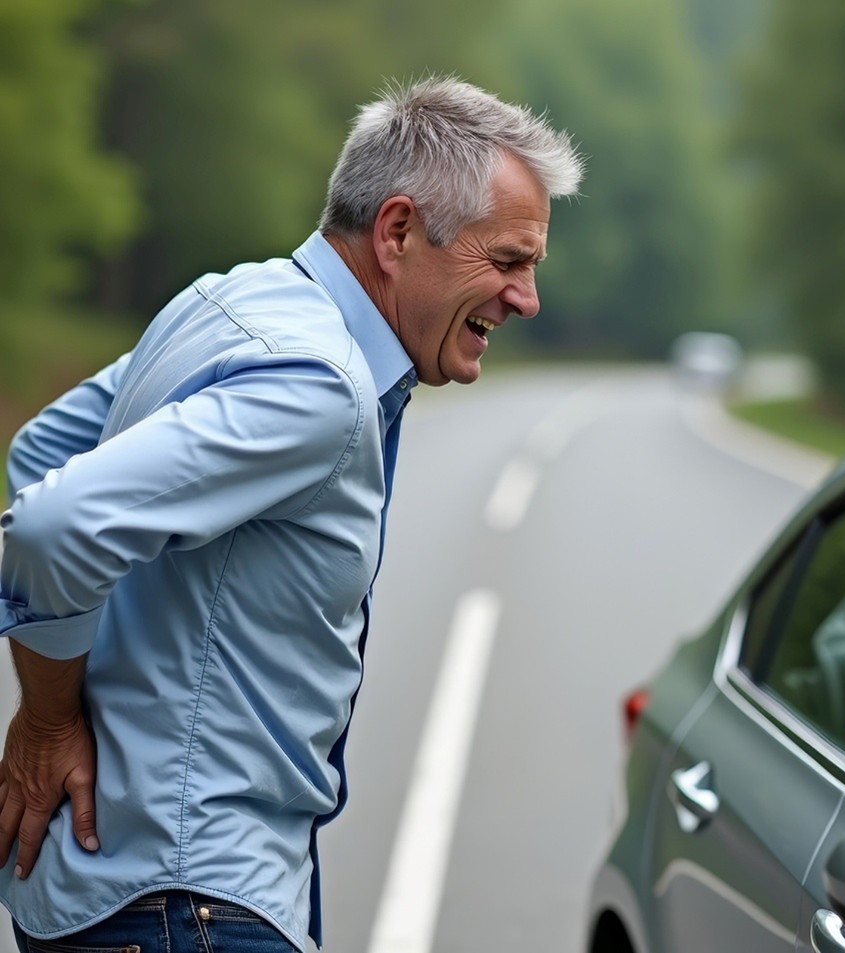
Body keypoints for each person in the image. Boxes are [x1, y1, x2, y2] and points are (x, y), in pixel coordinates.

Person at [0, 76, 583, 952]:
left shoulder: (230, 300)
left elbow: (40, 453)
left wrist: (65, 701)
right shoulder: (319, 386)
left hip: (114, 892)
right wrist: (47, 719)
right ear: (396, 232)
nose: (526, 297)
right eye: (507, 261)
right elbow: (54, 524)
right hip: (184, 898)